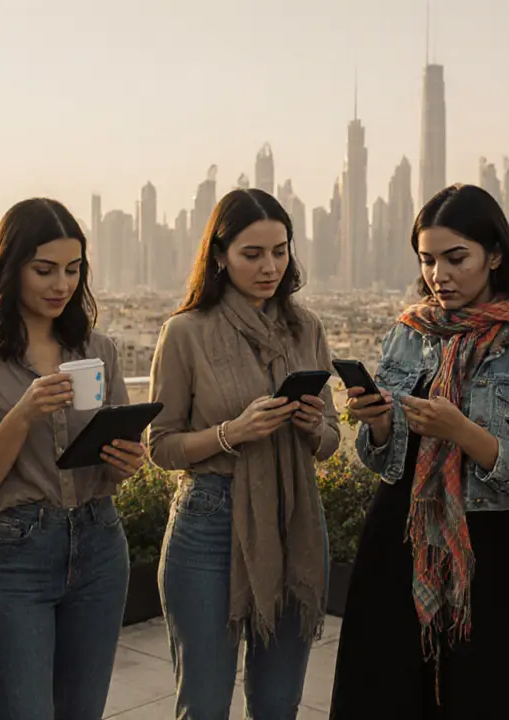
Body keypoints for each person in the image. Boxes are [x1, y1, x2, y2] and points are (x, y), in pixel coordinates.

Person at [330, 183, 509, 719]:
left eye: (455, 258)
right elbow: (381, 461)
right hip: (397, 539)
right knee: (384, 694)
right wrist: (376, 427)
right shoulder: (409, 332)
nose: (438, 275)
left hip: (493, 551)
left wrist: (466, 433)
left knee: (486, 695)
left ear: (494, 255)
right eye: (427, 260)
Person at [0, 198, 147, 720]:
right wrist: (22, 415)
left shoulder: (99, 349)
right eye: (44, 269)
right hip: (12, 557)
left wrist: (126, 460)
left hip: (100, 545)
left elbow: (112, 467)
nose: (61, 285)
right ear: (9, 268)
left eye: (73, 270)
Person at [147, 188, 339, 719]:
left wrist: (313, 426)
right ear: (220, 255)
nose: (269, 266)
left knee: (279, 703)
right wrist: (232, 432)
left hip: (294, 519)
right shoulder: (186, 333)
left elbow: (330, 442)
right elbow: (159, 445)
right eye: (252, 254)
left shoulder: (307, 328)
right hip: (209, 522)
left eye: (279, 251)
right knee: (204, 703)